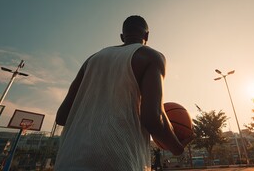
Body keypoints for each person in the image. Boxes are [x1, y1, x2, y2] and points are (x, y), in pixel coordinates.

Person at [54, 15, 191, 171]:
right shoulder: (151, 56)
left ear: (121, 37)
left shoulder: (91, 60)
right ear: (147, 36)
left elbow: (62, 117)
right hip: (118, 159)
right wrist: (177, 148)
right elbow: (153, 118)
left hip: (68, 158)